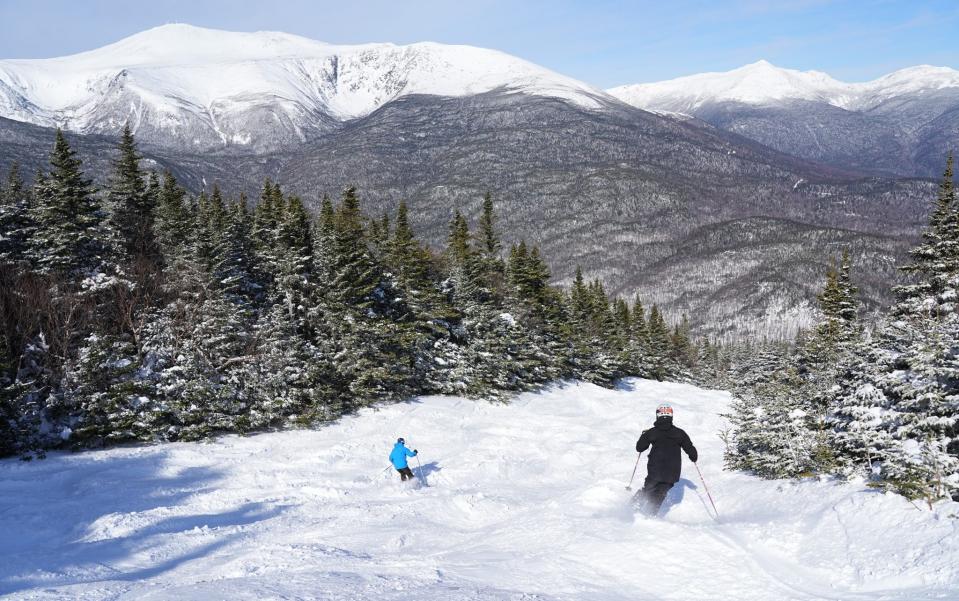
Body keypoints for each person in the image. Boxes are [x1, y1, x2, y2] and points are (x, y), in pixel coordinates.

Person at [633, 404, 698, 516]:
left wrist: (643, 436)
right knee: (660, 493)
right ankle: (650, 515)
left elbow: (640, 448)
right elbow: (691, 450)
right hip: (672, 471)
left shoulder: (652, 432)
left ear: (658, 415)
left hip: (655, 468)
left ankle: (632, 509)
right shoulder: (679, 433)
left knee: (648, 489)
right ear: (671, 416)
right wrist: (692, 456)